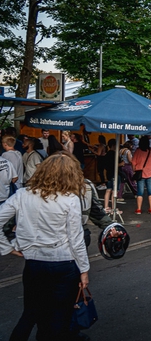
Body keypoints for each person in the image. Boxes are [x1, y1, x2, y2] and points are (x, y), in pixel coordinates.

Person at [0, 152, 90, 340]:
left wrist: (7, 247)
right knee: (59, 316)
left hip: (34, 262)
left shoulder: (22, 195)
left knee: (31, 312)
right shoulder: (70, 199)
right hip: (64, 262)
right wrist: (84, 269)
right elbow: (76, 238)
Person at [132, 135, 151, 215]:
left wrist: (134, 170)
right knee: (150, 191)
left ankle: (139, 209)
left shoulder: (137, 151)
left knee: (140, 192)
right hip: (150, 173)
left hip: (140, 173)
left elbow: (133, 162)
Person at [103, 138, 124, 215]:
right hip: (115, 174)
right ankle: (113, 208)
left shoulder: (107, 154)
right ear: (113, 145)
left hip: (108, 174)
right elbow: (116, 165)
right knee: (115, 191)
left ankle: (106, 207)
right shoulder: (115, 155)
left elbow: (106, 166)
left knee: (108, 190)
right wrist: (121, 164)